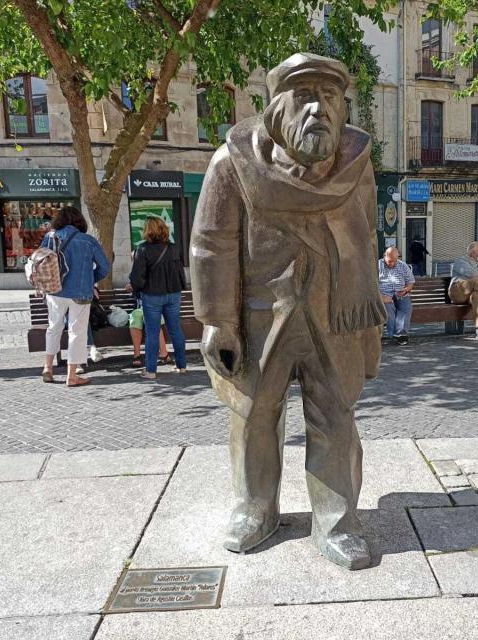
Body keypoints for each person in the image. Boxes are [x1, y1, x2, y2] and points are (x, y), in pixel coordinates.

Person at [191, 53, 387, 570]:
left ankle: (338, 521)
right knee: (254, 415)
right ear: (277, 107)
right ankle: (255, 509)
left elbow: (365, 238)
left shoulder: (356, 165)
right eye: (305, 98)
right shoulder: (233, 162)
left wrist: (367, 321)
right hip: (260, 317)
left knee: (337, 418)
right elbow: (212, 244)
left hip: (335, 314)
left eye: (330, 98)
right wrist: (217, 320)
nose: (318, 110)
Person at [41, 206, 109, 387]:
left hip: (55, 290)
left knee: (53, 327)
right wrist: (90, 279)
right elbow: (104, 267)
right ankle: (72, 375)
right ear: (80, 221)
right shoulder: (87, 241)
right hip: (80, 292)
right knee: (76, 332)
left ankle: (47, 368)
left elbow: (40, 262)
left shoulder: (49, 238)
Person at [128, 216, 188, 379]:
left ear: (147, 231)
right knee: (175, 329)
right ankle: (182, 366)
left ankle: (151, 370)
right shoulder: (174, 248)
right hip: (173, 293)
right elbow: (180, 272)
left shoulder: (143, 250)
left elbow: (137, 278)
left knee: (153, 332)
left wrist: (137, 290)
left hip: (152, 295)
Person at [378, 246, 415, 345]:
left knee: (406, 308)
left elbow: (410, 282)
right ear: (384, 256)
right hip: (385, 296)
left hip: (402, 294)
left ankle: (400, 333)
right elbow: (371, 285)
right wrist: (381, 297)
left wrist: (406, 289)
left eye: (395, 260)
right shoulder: (377, 266)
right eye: (390, 261)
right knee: (388, 308)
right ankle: (398, 334)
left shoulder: (403, 265)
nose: (393, 263)